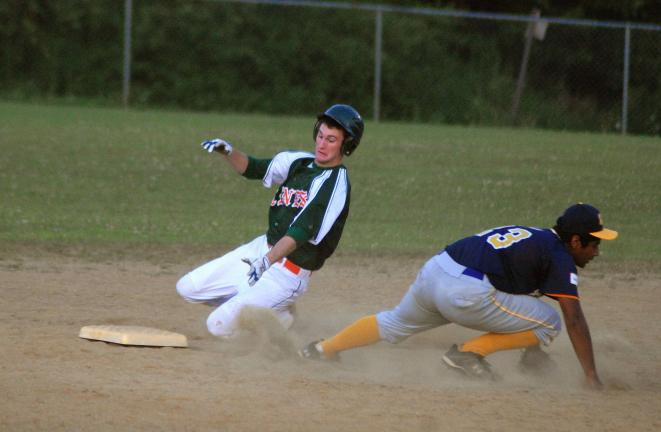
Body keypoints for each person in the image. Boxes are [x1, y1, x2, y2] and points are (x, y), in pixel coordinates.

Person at [299, 203, 618, 389]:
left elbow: (519, 300)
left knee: (395, 322)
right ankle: (468, 354)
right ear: (575, 241)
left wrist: (533, 353)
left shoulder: (535, 237)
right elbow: (573, 319)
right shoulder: (560, 257)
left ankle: (322, 349)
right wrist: (591, 376)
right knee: (549, 321)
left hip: (436, 270)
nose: (596, 252)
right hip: (466, 290)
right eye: (594, 244)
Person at [176, 104, 364, 338]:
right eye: (320, 135)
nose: (321, 144)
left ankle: (277, 315)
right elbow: (254, 168)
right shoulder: (300, 163)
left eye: (331, 140)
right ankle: (272, 309)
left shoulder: (335, 185)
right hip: (261, 250)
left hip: (287, 274)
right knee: (187, 288)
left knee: (217, 326)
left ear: (346, 145)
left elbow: (300, 232)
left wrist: (266, 262)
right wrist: (228, 151)